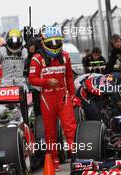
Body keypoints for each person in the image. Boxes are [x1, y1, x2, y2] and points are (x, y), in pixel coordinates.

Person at [28, 27, 79, 171]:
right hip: (47, 98)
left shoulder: (66, 56)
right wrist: (46, 82)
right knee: (50, 132)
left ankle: (75, 157)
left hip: (63, 96)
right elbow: (32, 79)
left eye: (58, 42)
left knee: (71, 127)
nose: (55, 45)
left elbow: (69, 77)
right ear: (44, 42)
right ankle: (53, 159)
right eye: (52, 43)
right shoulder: (37, 59)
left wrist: (73, 95)